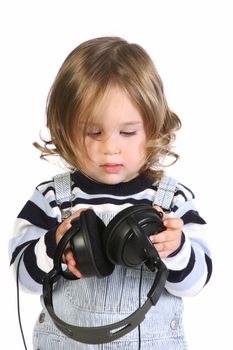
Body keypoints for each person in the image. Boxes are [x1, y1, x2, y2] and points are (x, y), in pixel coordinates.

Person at [9, 36, 212, 350]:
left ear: (154, 127)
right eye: (93, 132)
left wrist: (177, 249)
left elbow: (197, 283)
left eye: (128, 132)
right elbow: (22, 278)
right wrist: (54, 246)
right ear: (65, 129)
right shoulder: (52, 197)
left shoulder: (173, 200)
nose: (111, 147)